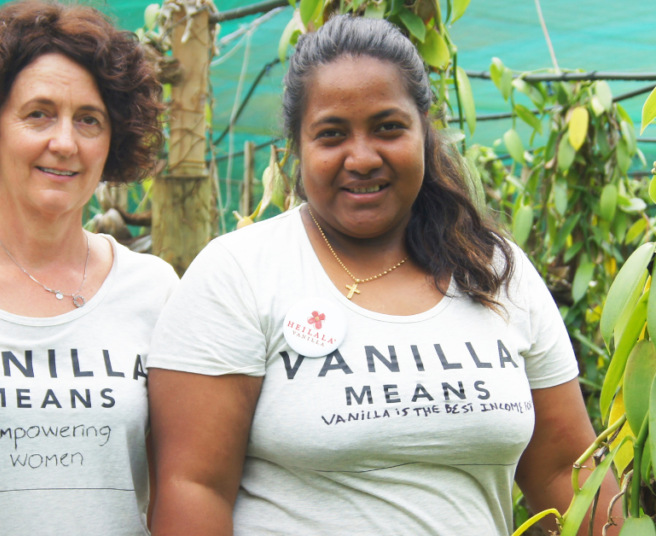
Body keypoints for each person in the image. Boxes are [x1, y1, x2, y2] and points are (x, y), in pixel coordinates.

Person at [146, 14, 620, 536]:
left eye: (388, 128)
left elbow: (565, 471)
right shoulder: (241, 273)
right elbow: (192, 488)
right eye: (331, 135)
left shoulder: (495, 270)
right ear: (297, 147)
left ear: (424, 131)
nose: (363, 157)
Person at [0, 1, 175, 534]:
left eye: (89, 121)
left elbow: (178, 482)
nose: (65, 142)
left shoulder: (154, 289)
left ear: (111, 143)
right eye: (39, 114)